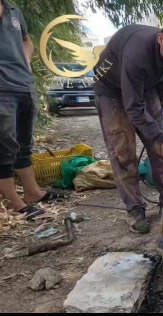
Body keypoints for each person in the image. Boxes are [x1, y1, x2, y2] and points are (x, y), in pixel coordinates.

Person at [93, 17, 163, 234]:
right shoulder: (136, 54)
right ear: (161, 39)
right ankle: (134, 209)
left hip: (145, 87)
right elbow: (133, 108)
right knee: (123, 152)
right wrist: (159, 139)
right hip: (111, 89)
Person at [0, 0, 66, 220]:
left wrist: (26, 59)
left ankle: (32, 192)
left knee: (24, 141)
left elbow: (26, 41)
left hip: (23, 84)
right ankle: (14, 202)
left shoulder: (14, 11)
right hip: (1, 88)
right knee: (4, 143)